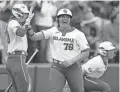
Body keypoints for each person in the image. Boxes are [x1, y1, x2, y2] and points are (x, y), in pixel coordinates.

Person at [27, 8, 90, 92]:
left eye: (67, 17)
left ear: (70, 20)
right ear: (58, 19)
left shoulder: (78, 34)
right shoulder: (53, 30)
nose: (65, 19)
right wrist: (28, 28)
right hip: (57, 67)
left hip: (73, 67)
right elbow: (34, 37)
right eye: (62, 17)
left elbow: (86, 53)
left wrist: (71, 61)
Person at [5, 2, 34, 92]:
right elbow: (20, 33)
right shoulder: (13, 23)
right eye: (25, 14)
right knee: (24, 89)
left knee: (16, 89)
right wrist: (27, 22)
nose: (26, 16)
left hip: (16, 59)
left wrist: (27, 24)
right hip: (17, 59)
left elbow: (33, 35)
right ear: (19, 13)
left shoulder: (17, 24)